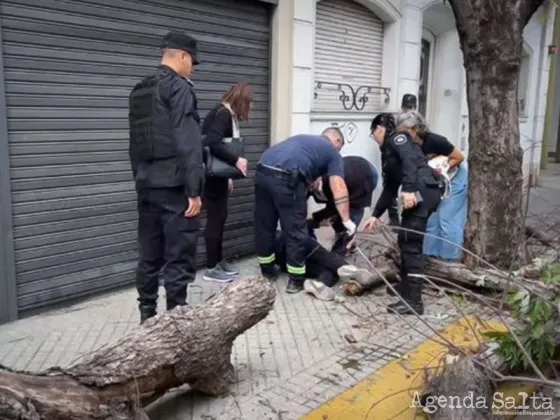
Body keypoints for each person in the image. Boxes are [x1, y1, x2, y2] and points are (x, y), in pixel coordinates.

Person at [128, 31, 204, 324]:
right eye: (193, 63)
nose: (193, 69)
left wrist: (140, 180)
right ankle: (175, 321)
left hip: (147, 186)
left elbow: (133, 144)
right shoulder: (179, 89)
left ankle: (146, 317)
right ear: (183, 57)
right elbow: (188, 143)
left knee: (148, 257)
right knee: (178, 256)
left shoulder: (140, 90)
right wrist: (194, 190)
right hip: (175, 189)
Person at [254, 128, 355, 294]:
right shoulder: (332, 151)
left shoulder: (303, 139)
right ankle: (295, 280)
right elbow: (338, 186)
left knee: (264, 226)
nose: (339, 152)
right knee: (295, 230)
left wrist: (309, 180)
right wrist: (346, 220)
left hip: (262, 171)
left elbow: (300, 161)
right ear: (336, 141)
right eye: (340, 147)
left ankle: (267, 271)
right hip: (287, 180)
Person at [363, 112, 443, 315]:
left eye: (374, 134)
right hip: (422, 191)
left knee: (411, 245)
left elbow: (409, 160)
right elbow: (389, 188)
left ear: (380, 129)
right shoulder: (390, 153)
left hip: (421, 190)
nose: (375, 138)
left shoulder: (398, 138)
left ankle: (414, 302)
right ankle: (406, 289)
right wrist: (375, 214)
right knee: (405, 240)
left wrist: (408, 189)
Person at [201, 84, 252, 282]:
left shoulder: (223, 112)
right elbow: (212, 142)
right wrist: (236, 161)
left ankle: (218, 261)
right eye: (249, 103)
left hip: (218, 177)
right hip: (212, 178)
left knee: (220, 217)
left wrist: (228, 176)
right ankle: (211, 268)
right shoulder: (223, 114)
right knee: (215, 219)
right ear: (241, 101)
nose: (251, 108)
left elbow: (219, 143)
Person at [409, 117, 468, 262]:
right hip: (434, 183)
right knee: (432, 221)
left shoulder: (435, 140)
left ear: (415, 130)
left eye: (404, 131)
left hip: (453, 180)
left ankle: (450, 261)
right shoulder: (409, 146)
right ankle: (430, 257)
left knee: (447, 221)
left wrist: (441, 168)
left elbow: (459, 157)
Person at [273, 230, 374, 301]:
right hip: (288, 244)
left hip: (288, 262)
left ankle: (318, 284)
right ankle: (342, 266)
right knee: (323, 255)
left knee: (327, 268)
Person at [308, 155, 379, 255]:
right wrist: (315, 220)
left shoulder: (332, 182)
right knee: (336, 217)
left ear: (316, 179)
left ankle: (340, 251)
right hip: (349, 170)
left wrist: (317, 219)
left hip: (364, 175)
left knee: (350, 218)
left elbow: (336, 206)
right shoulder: (308, 182)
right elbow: (333, 206)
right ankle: (348, 244)